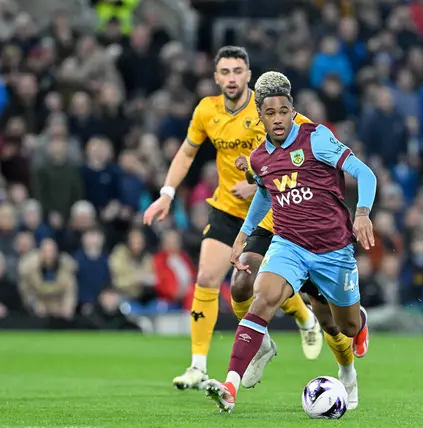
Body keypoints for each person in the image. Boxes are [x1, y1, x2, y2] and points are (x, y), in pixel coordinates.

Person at [142, 46, 322, 390]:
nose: (231, 78)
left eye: (237, 71)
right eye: (224, 72)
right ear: (215, 77)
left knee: (258, 283)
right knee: (207, 277)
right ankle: (198, 366)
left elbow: (309, 140)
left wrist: (258, 186)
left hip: (270, 210)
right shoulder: (206, 111)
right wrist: (167, 193)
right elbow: (187, 151)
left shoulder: (268, 109)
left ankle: (302, 317)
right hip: (226, 208)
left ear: (249, 75)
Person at [203, 71, 376, 413]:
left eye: (284, 111)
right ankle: (230, 386)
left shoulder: (317, 138)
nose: (278, 119)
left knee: (343, 325)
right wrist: (243, 234)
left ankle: (348, 366)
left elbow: (365, 173)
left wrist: (362, 214)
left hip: (333, 251)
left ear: (292, 111)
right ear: (260, 117)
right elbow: (265, 195)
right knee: (262, 298)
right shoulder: (259, 159)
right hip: (288, 246)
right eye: (270, 113)